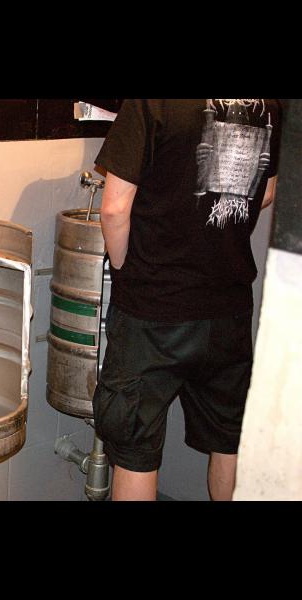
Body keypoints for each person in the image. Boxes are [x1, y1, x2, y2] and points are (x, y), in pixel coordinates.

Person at [93, 99, 281, 501]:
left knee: (136, 447)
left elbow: (114, 209)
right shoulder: (270, 105)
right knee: (229, 439)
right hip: (229, 310)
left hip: (153, 309)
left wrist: (124, 271)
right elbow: (265, 192)